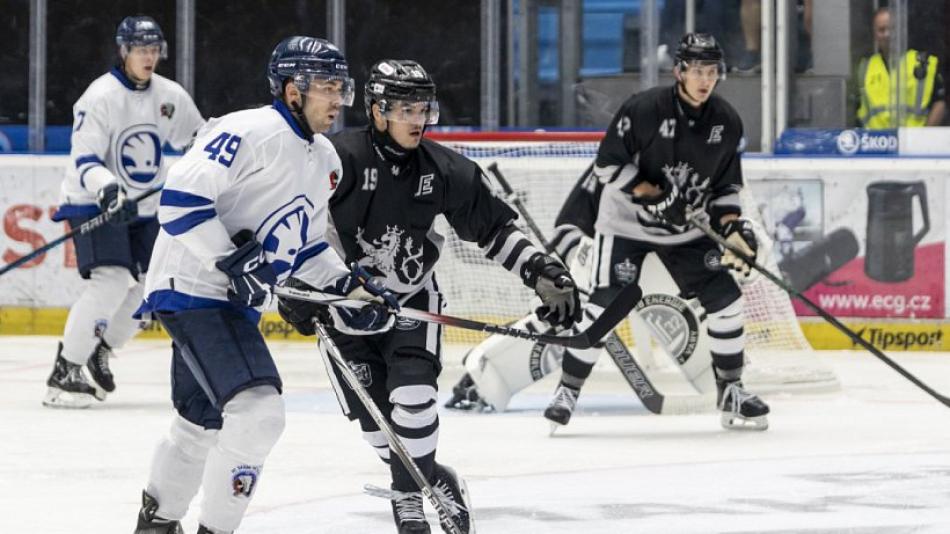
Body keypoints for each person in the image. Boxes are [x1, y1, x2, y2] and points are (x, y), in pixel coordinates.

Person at [277, 59, 582, 534]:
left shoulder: (444, 169)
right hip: (343, 308)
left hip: (408, 301)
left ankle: (407, 498)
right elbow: (289, 221)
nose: (418, 118)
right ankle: (435, 479)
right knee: (380, 430)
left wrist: (539, 269)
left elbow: (494, 228)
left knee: (415, 400)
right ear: (377, 110)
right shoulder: (337, 158)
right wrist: (294, 286)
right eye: (405, 108)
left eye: (423, 107)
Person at [131, 36, 399, 534]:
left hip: (226, 301)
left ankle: (156, 524)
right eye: (326, 86)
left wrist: (350, 288)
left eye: (342, 85)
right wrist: (234, 262)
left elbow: (307, 248)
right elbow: (180, 203)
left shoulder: (325, 160)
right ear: (292, 89)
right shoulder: (248, 130)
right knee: (259, 413)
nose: (338, 97)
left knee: (201, 421)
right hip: (193, 288)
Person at [540, 32, 769, 432]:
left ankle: (731, 389)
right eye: (697, 70)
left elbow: (726, 189)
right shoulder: (645, 110)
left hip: (685, 232)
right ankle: (568, 390)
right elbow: (607, 166)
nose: (704, 79)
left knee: (726, 298)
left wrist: (732, 230)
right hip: (626, 224)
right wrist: (655, 194)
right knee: (604, 306)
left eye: (712, 71)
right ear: (679, 71)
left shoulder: (727, 122)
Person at [44, 16, 204, 409]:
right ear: (124, 51)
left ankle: (102, 348)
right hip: (92, 198)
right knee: (111, 281)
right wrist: (108, 189)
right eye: (141, 50)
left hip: (144, 205)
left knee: (155, 285)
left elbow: (198, 139)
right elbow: (84, 157)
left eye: (154, 50)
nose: (149, 57)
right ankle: (65, 371)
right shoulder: (100, 97)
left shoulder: (169, 95)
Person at [856, 6, 946, 128]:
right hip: (876, 143)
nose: (887, 34)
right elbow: (857, 109)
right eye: (881, 30)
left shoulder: (924, 62)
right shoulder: (865, 68)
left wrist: (924, 136)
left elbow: (940, 102)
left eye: (892, 28)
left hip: (915, 142)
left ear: (900, 30)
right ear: (875, 35)